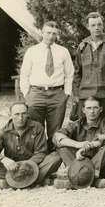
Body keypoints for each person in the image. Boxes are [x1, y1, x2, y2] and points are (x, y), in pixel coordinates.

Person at [20, 21, 74, 152]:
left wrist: (66, 94)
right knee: (35, 130)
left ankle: (51, 164)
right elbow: (24, 74)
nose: (51, 36)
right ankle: (36, 161)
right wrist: (27, 95)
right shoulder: (32, 51)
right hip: (36, 94)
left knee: (55, 132)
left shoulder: (63, 52)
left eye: (54, 34)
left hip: (57, 95)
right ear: (42, 32)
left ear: (57, 35)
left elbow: (70, 74)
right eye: (48, 33)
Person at [0, 103, 62, 189]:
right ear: (10, 115)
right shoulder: (3, 131)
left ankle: (12, 183)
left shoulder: (37, 127)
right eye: (16, 114)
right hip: (13, 169)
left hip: (34, 167)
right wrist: (3, 159)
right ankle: (38, 181)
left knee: (56, 157)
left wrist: (27, 165)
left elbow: (41, 152)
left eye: (23, 113)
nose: (20, 118)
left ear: (28, 114)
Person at [53, 96, 105, 188]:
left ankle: (79, 181)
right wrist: (77, 144)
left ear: (101, 109)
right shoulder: (77, 124)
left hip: (98, 164)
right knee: (63, 146)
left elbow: (104, 139)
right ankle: (83, 179)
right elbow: (57, 136)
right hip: (79, 162)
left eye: (95, 108)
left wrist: (83, 149)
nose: (92, 111)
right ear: (83, 110)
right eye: (89, 108)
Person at [73, 12, 105, 121]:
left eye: (99, 24)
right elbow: (77, 72)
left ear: (103, 25)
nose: (97, 28)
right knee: (84, 127)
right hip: (85, 94)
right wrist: (76, 94)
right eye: (93, 25)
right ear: (88, 27)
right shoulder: (82, 46)